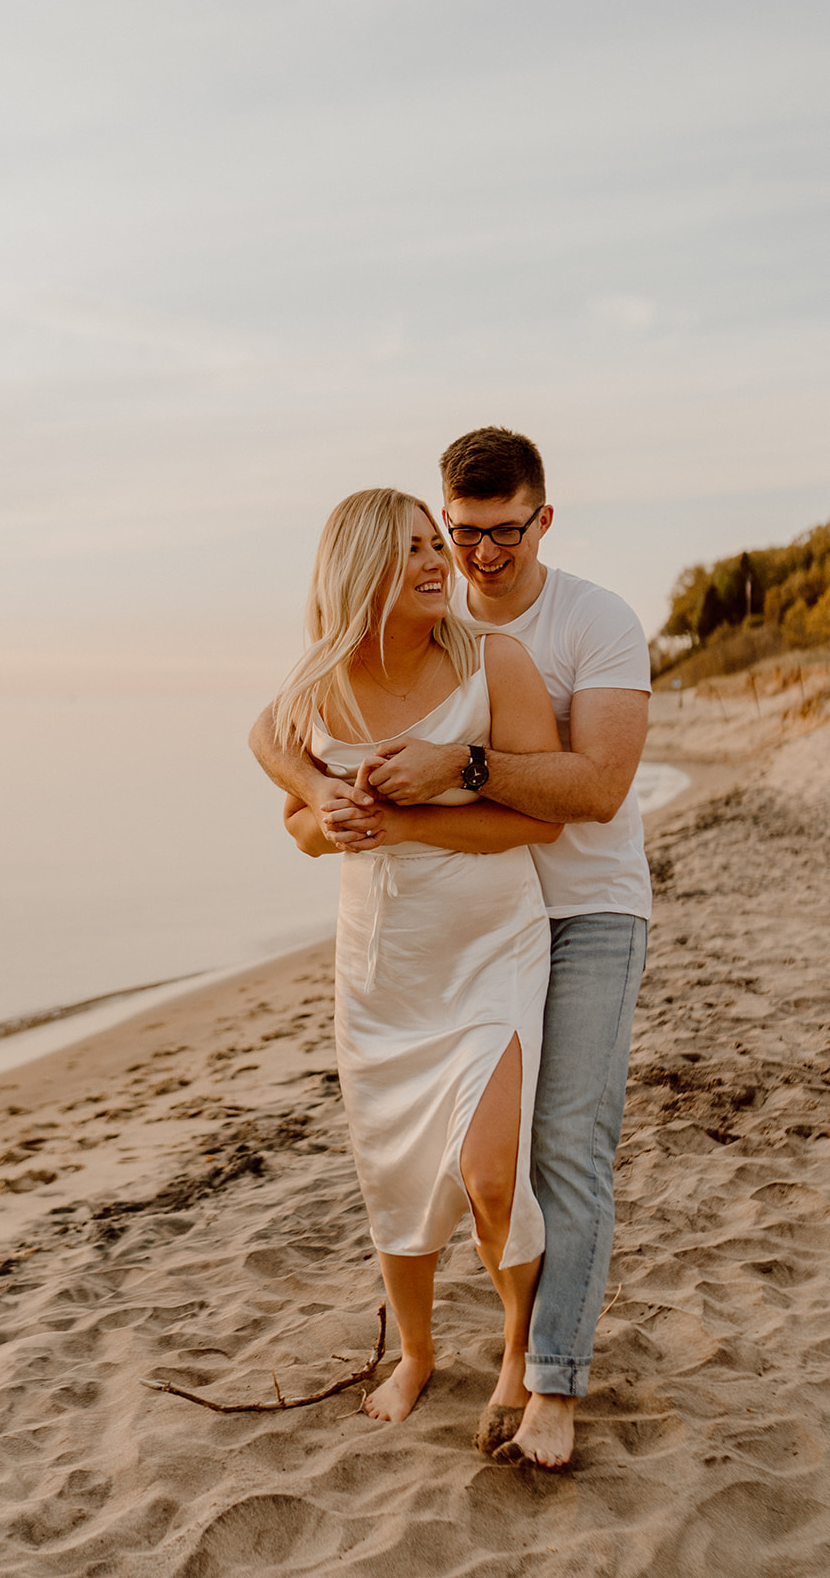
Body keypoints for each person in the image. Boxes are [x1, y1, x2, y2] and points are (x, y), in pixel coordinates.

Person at [250, 429, 651, 1469]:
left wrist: (448, 775)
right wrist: (320, 796)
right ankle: (433, 1348)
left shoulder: (579, 625)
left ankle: (545, 1375)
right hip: (413, 943)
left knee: (548, 1152)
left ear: (539, 521)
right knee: (425, 1162)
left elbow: (590, 793)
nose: (466, 559)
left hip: (574, 911)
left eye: (492, 534)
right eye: (447, 535)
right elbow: (281, 744)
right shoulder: (411, 635)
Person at [266, 485, 563, 1435]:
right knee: (392, 1171)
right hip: (381, 968)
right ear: (360, 570)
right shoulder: (319, 687)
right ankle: (420, 1355)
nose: (441, 562)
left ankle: (518, 1350)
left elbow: (541, 816)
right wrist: (333, 814)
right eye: (416, 550)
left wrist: (401, 815)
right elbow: (299, 830)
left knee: (488, 1176)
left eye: (438, 545)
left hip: (489, 951)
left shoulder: (493, 663)